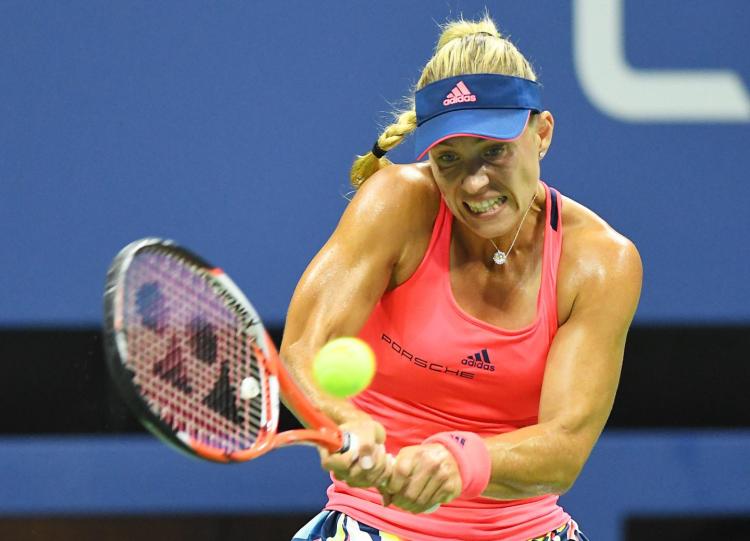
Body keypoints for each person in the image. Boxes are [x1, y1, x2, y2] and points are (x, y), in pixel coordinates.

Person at [281, 14, 642, 541]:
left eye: (494, 151)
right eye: (449, 159)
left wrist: (461, 460)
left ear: (541, 133)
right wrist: (343, 419)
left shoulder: (600, 262)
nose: (474, 183)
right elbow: (301, 350)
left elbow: (564, 448)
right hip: (369, 524)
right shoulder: (396, 202)